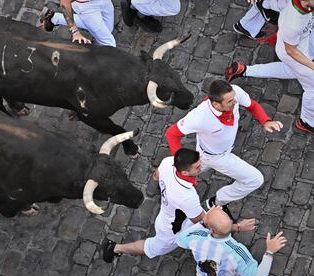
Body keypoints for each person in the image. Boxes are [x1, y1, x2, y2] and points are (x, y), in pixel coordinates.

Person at [102, 148, 255, 263]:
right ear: (185, 173)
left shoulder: (168, 162)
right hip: (172, 229)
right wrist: (237, 227)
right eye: (197, 167)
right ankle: (115, 247)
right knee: (153, 249)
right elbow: (205, 221)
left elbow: (156, 175)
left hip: (177, 214)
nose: (201, 168)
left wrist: (159, 187)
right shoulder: (186, 197)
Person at [166, 80, 283, 213]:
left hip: (213, 151)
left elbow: (253, 105)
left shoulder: (234, 93)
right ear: (216, 104)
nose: (235, 102)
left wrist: (266, 121)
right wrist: (181, 161)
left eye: (234, 98)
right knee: (255, 180)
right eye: (230, 101)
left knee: (188, 172)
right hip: (214, 157)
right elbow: (172, 134)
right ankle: (215, 202)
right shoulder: (199, 117)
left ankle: (169, 176)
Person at [225, 0, 314, 134]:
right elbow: (291, 51)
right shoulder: (293, 22)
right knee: (312, 88)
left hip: (304, 43)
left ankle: (244, 70)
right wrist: (312, 65)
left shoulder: (298, 6)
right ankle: (307, 121)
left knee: (291, 70)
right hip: (295, 53)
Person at [176, 205, 287, 276]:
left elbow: (180, 240)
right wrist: (269, 252)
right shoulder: (237, 252)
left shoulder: (197, 238)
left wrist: (203, 223)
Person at [39, 0, 116, 47]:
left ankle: (54, 18)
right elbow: (65, 3)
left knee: (108, 29)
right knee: (109, 43)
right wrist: (75, 31)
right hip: (86, 7)